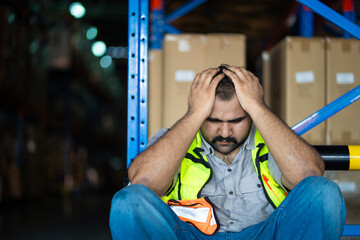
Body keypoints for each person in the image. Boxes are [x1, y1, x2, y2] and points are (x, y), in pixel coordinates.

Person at [110, 65, 346, 240]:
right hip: (191, 236)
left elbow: (311, 175)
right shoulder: (174, 140)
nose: (224, 131)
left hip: (263, 235)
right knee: (127, 202)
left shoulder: (271, 139)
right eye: (212, 120)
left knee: (323, 192)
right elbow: (140, 183)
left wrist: (257, 106)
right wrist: (193, 114)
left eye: (236, 120)